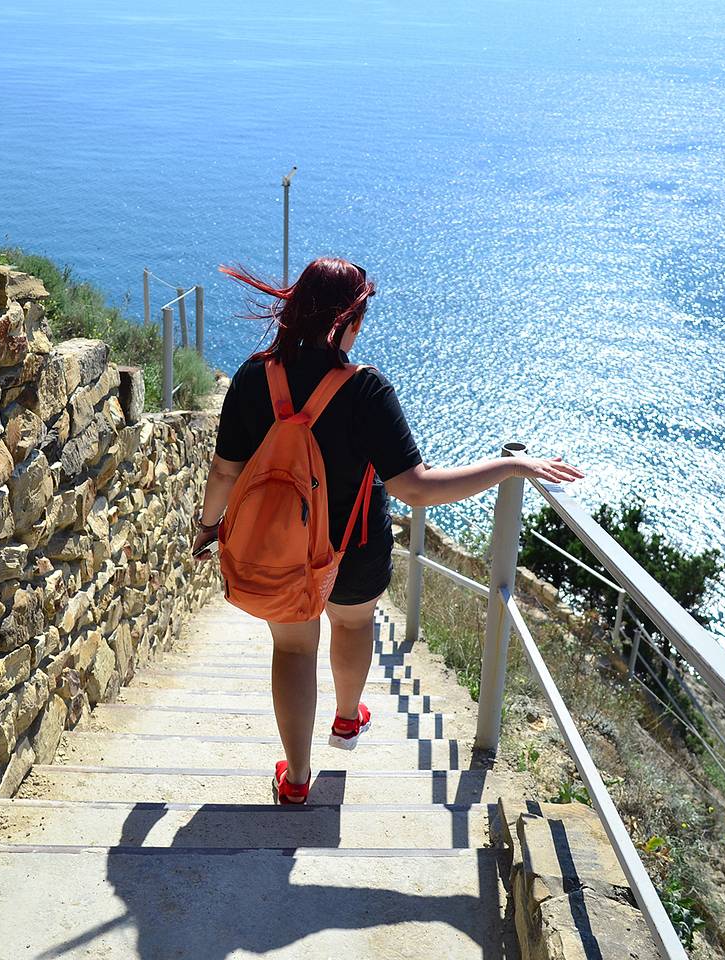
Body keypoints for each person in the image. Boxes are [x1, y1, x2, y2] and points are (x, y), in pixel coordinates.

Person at [190, 257, 584, 804]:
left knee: (295, 650)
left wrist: (209, 527)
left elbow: (223, 472)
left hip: (282, 550)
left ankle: (297, 779)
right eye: (360, 317)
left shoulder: (255, 377)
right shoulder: (366, 389)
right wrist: (510, 466)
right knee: (353, 625)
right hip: (354, 544)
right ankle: (347, 718)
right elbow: (415, 488)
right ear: (347, 321)